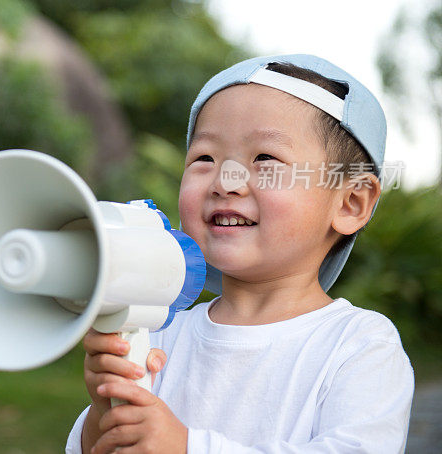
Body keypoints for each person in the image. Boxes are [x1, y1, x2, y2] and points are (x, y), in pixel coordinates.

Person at [65, 54, 415, 453]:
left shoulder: (359, 345)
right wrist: (104, 407)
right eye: (204, 158)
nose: (225, 181)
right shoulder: (159, 331)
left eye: (264, 159)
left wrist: (187, 448)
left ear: (350, 202)